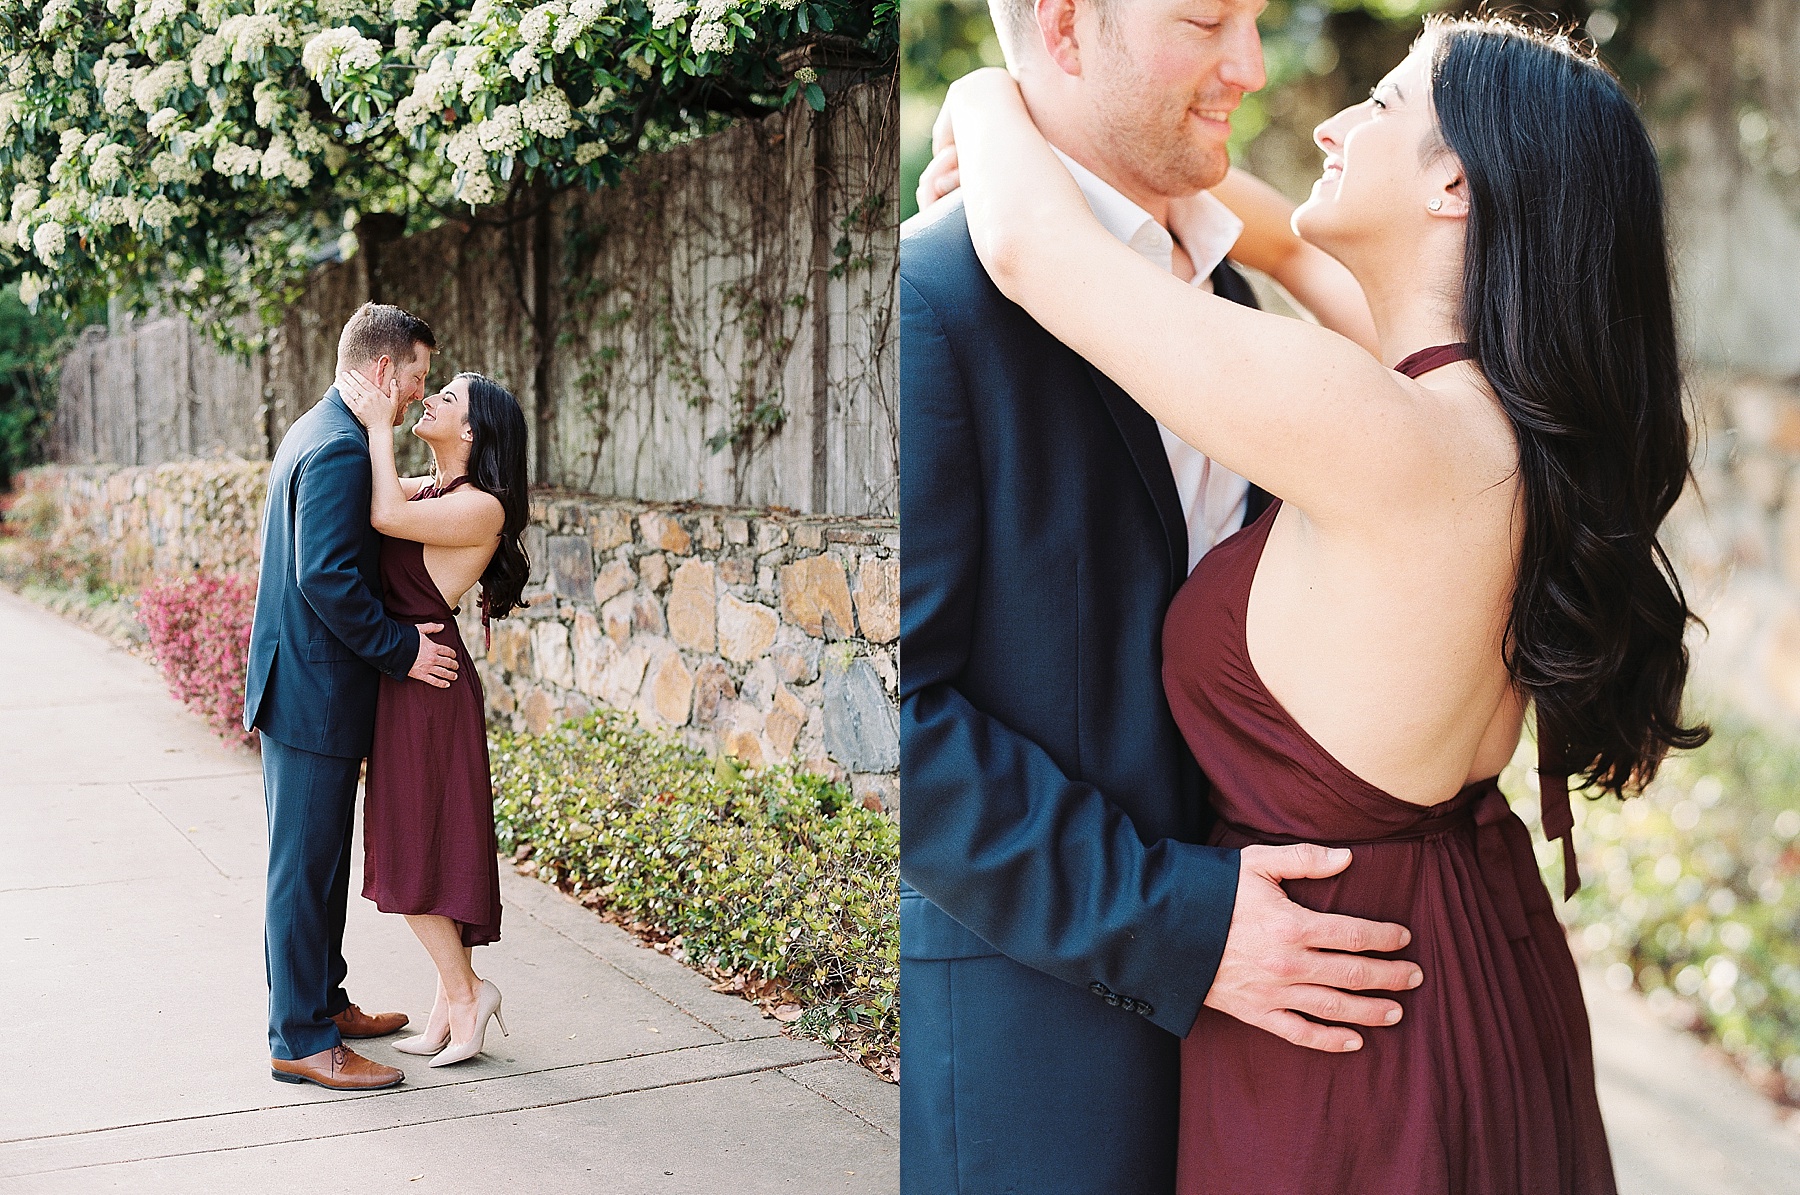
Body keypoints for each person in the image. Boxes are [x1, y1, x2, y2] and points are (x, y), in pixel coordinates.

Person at [933, 12, 1708, 1193]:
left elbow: (1040, 253)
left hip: (1351, 1024)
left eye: (1383, 106)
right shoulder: (1500, 419)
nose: (1330, 121)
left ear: (1455, 183)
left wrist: (989, 100)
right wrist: (1138, 138)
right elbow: (1290, 249)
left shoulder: (1370, 430)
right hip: (1477, 962)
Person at [898, 0, 1421, 1190]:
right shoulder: (930, 304)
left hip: (1276, 1062)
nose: (1251, 66)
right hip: (1040, 1064)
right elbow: (897, 718)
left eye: (1257, 20)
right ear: (1070, 26)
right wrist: (1179, 924)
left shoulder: (1238, 316)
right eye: (1206, 21)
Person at [244, 302, 460, 1092]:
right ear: (382, 370)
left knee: (319, 865)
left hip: (302, 686)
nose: (415, 395)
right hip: (312, 696)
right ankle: (300, 1037)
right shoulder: (337, 448)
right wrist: (404, 651)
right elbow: (326, 575)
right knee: (302, 871)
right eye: (416, 377)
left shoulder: (323, 430)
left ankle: (324, 1004)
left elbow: (351, 530)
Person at [334, 366, 531, 1068]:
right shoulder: (438, 488)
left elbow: (385, 515)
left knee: (414, 847)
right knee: (422, 841)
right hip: (406, 668)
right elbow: (372, 500)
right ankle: (451, 1001)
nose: (430, 398)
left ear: (472, 432)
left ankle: (470, 990)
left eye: (446, 398)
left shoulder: (483, 505)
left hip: (429, 678)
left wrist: (380, 425)